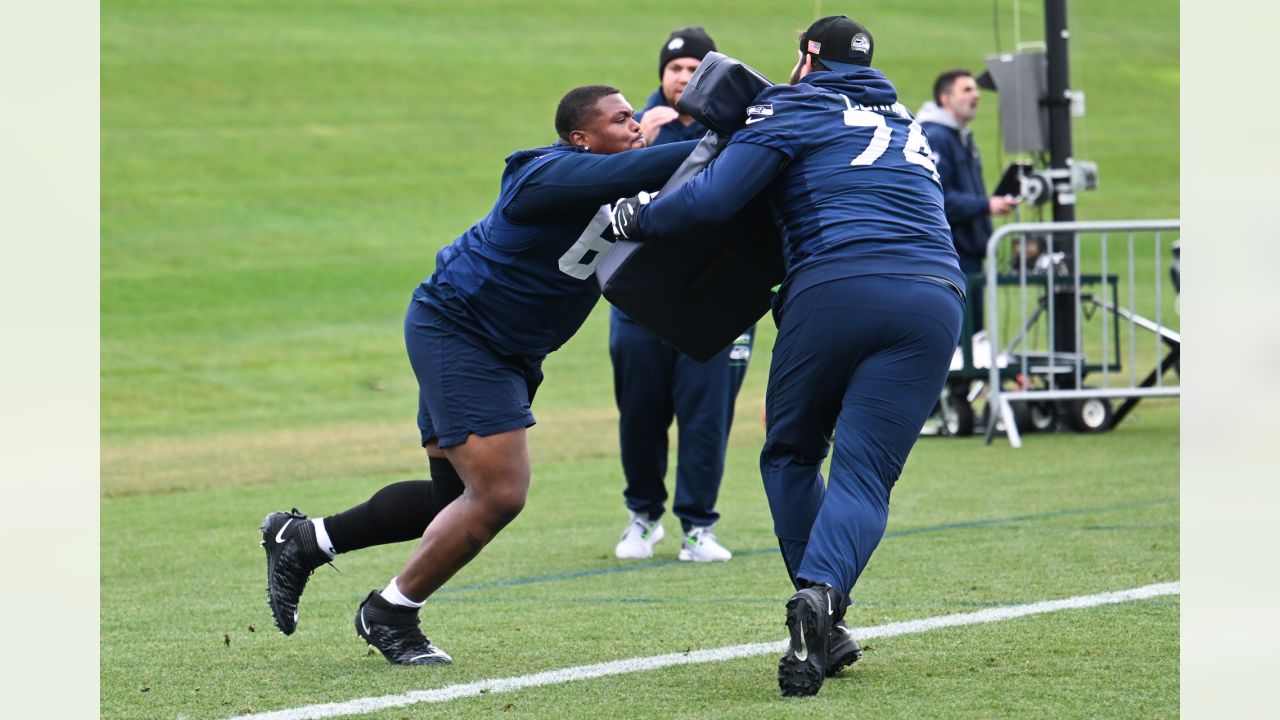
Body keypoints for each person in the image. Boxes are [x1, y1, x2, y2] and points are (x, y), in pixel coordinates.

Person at [259, 85, 699, 665]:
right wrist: (722, 140)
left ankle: (307, 538)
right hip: (462, 332)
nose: (636, 125)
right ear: (580, 139)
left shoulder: (634, 185)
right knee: (499, 494)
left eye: (635, 118)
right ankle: (390, 612)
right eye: (621, 120)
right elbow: (659, 166)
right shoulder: (541, 171)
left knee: (450, 499)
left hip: (509, 349)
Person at [611, 16, 965, 697]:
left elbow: (712, 200)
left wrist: (639, 218)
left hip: (835, 286)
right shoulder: (910, 127)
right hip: (935, 296)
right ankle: (824, 605)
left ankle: (817, 606)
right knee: (865, 476)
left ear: (808, 57)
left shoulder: (792, 103)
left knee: (793, 453)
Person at [610, 26, 753, 563]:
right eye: (676, 69)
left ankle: (698, 527)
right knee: (640, 414)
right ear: (662, 76)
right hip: (641, 298)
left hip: (714, 296)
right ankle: (642, 518)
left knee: (707, 415)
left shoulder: (744, 128)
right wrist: (639, 137)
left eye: (697, 70)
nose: (685, 78)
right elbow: (601, 194)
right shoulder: (631, 127)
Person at [916, 69, 1018, 330]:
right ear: (945, 98)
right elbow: (936, 198)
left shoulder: (960, 136)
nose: (976, 95)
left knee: (973, 338)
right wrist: (986, 205)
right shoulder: (937, 137)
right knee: (961, 341)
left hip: (967, 255)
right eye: (967, 90)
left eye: (975, 89)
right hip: (952, 256)